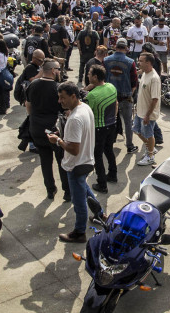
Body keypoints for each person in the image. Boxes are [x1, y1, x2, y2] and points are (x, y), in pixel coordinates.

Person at [51, 82, 107, 243]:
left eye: (63, 98)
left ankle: (79, 232)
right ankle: (100, 214)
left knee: (78, 201)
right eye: (59, 97)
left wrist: (58, 140)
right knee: (85, 188)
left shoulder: (74, 118)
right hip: (87, 160)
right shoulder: (84, 108)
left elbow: (73, 149)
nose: (60, 101)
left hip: (76, 164)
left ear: (73, 96)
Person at [26, 60, 70, 200]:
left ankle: (50, 190)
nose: (59, 72)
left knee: (45, 160)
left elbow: (28, 105)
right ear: (52, 70)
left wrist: (34, 118)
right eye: (58, 69)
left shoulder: (33, 84)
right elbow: (66, 109)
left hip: (37, 128)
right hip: (53, 129)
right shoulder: (58, 88)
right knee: (61, 160)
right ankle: (67, 191)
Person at [86, 65, 118, 193]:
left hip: (99, 128)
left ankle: (102, 184)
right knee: (109, 150)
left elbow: (87, 112)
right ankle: (113, 174)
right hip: (112, 125)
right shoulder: (111, 87)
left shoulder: (92, 95)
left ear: (95, 77)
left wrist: (85, 90)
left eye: (89, 74)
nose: (88, 76)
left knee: (97, 156)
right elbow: (116, 104)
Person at [104, 39, 138, 153]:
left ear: (115, 47)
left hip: (109, 95)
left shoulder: (106, 60)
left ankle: (109, 142)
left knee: (109, 120)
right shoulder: (130, 62)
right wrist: (130, 93)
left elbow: (102, 78)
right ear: (126, 48)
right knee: (128, 122)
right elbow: (134, 82)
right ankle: (129, 145)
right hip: (125, 96)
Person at [133, 53, 161, 166]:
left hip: (147, 114)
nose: (138, 63)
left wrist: (147, 115)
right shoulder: (145, 73)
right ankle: (151, 147)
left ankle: (150, 156)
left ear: (148, 63)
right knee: (136, 130)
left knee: (149, 134)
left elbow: (155, 99)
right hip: (140, 111)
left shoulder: (154, 78)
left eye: (140, 61)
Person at [0, 39, 13, 115]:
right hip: (2, 72)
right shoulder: (5, 53)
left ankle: (2, 108)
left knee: (0, 92)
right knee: (4, 91)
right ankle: (5, 105)